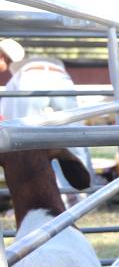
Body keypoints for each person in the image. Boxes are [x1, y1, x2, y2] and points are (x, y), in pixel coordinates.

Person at [0, 40, 96, 199]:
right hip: (61, 77)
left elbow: (9, 123)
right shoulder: (42, 65)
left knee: (26, 141)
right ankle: (85, 194)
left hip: (29, 80)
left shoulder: (16, 78)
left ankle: (43, 194)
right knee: (76, 135)